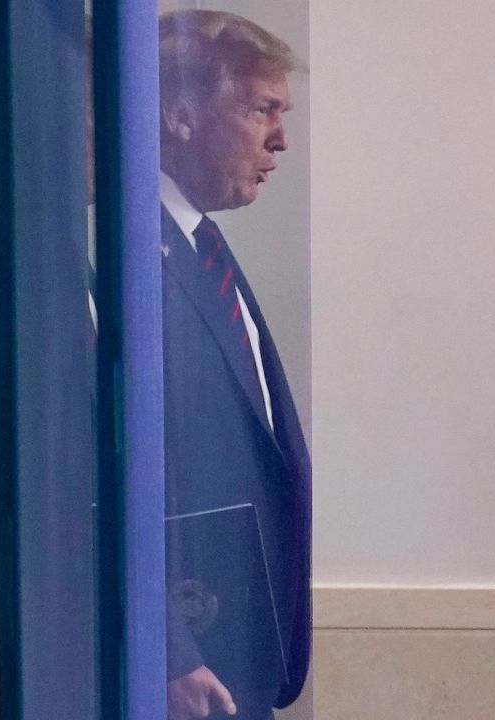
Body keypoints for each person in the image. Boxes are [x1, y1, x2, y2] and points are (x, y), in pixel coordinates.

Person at [157, 11, 310, 720]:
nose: (280, 139)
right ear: (181, 115)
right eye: (261, 110)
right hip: (186, 673)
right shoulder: (120, 257)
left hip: (239, 657)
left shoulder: (200, 246)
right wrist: (167, 648)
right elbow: (88, 480)